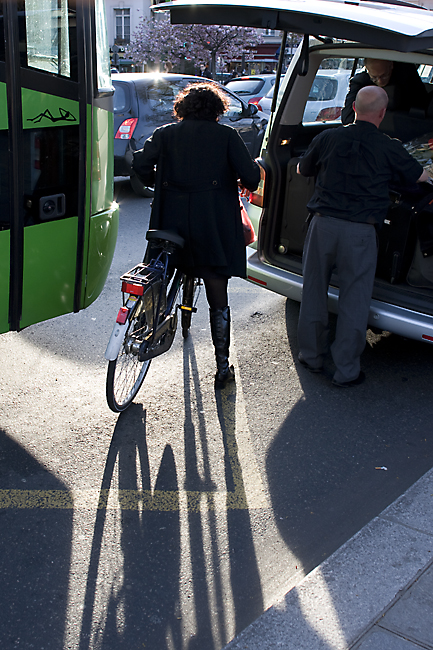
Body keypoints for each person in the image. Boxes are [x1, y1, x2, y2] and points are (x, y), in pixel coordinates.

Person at [297, 85, 429, 387]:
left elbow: (304, 170)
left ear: (354, 108)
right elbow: (418, 176)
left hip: (322, 225)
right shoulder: (389, 146)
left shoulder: (328, 136)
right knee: (354, 299)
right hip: (359, 232)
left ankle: (311, 356)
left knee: (314, 291)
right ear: (382, 113)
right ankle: (346, 370)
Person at [132, 83, 260, 389]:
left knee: (158, 273)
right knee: (218, 292)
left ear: (182, 109)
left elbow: (138, 163)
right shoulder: (227, 136)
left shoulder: (165, 134)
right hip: (212, 226)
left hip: (170, 221)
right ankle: (221, 367)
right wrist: (237, 178)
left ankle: (144, 325)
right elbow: (252, 178)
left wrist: (157, 180)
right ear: (218, 110)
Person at [341, 58, 427, 125]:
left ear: (391, 66)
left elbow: (422, 105)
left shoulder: (407, 80)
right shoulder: (360, 82)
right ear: (367, 70)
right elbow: (347, 118)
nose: (380, 82)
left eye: (384, 76)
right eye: (374, 78)